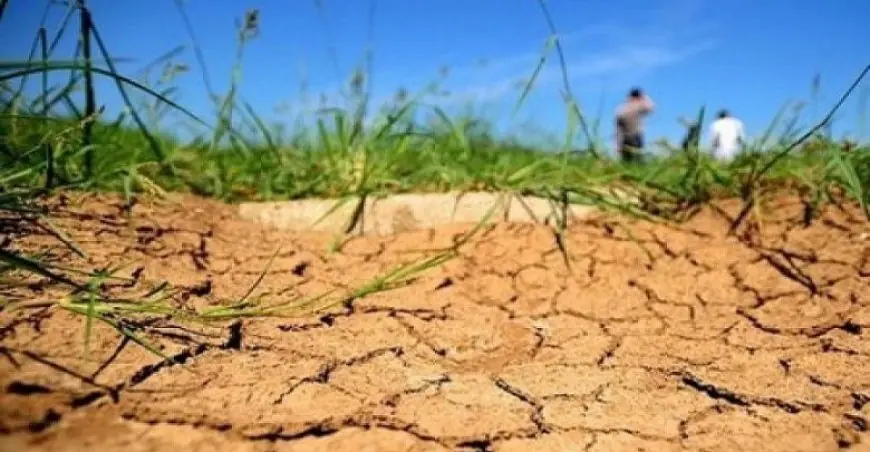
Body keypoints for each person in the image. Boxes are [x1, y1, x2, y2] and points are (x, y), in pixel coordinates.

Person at [615, 87, 655, 163]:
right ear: (638, 97)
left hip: (624, 138)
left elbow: (617, 128)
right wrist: (644, 97)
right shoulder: (638, 106)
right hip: (636, 136)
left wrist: (617, 144)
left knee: (626, 161)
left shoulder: (621, 108)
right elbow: (651, 107)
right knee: (638, 160)